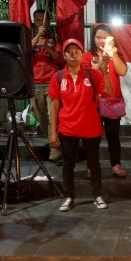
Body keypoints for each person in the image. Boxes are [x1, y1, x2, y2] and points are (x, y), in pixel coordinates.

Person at [49, 38, 110, 211]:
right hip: (67, 128)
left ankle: (97, 195)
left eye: (77, 52)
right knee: (68, 164)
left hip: (91, 127)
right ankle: (69, 197)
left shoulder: (92, 74)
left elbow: (109, 92)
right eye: (69, 52)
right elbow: (54, 106)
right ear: (64, 55)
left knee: (94, 163)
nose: (73, 55)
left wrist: (105, 71)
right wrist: (53, 132)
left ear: (82, 54)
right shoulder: (58, 77)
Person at [82, 24, 128, 177]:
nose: (101, 41)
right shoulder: (88, 56)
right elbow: (85, 74)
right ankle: (91, 166)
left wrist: (112, 52)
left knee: (113, 136)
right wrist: (99, 66)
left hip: (112, 101)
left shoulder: (116, 54)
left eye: (105, 38)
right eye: (98, 37)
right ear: (93, 39)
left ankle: (116, 164)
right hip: (94, 101)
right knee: (92, 137)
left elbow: (122, 71)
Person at [29, 9, 62, 162]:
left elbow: (59, 58)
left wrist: (47, 47)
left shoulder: (56, 37)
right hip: (35, 82)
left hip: (52, 82)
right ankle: (52, 139)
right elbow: (24, 51)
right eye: (37, 20)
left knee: (53, 116)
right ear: (34, 22)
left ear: (49, 21)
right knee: (39, 115)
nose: (41, 22)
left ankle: (54, 150)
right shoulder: (29, 36)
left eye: (44, 20)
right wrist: (37, 37)